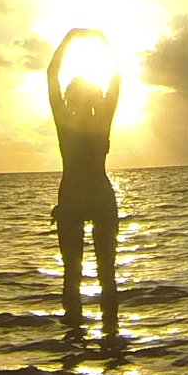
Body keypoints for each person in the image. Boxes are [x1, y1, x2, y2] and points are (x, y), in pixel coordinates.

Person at [45, 27, 121, 339]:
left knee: (72, 274)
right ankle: (110, 337)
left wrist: (68, 39)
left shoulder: (65, 121)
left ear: (68, 97)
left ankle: (74, 338)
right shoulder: (102, 119)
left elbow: (51, 73)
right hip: (98, 197)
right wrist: (104, 43)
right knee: (106, 274)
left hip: (74, 198)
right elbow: (117, 79)